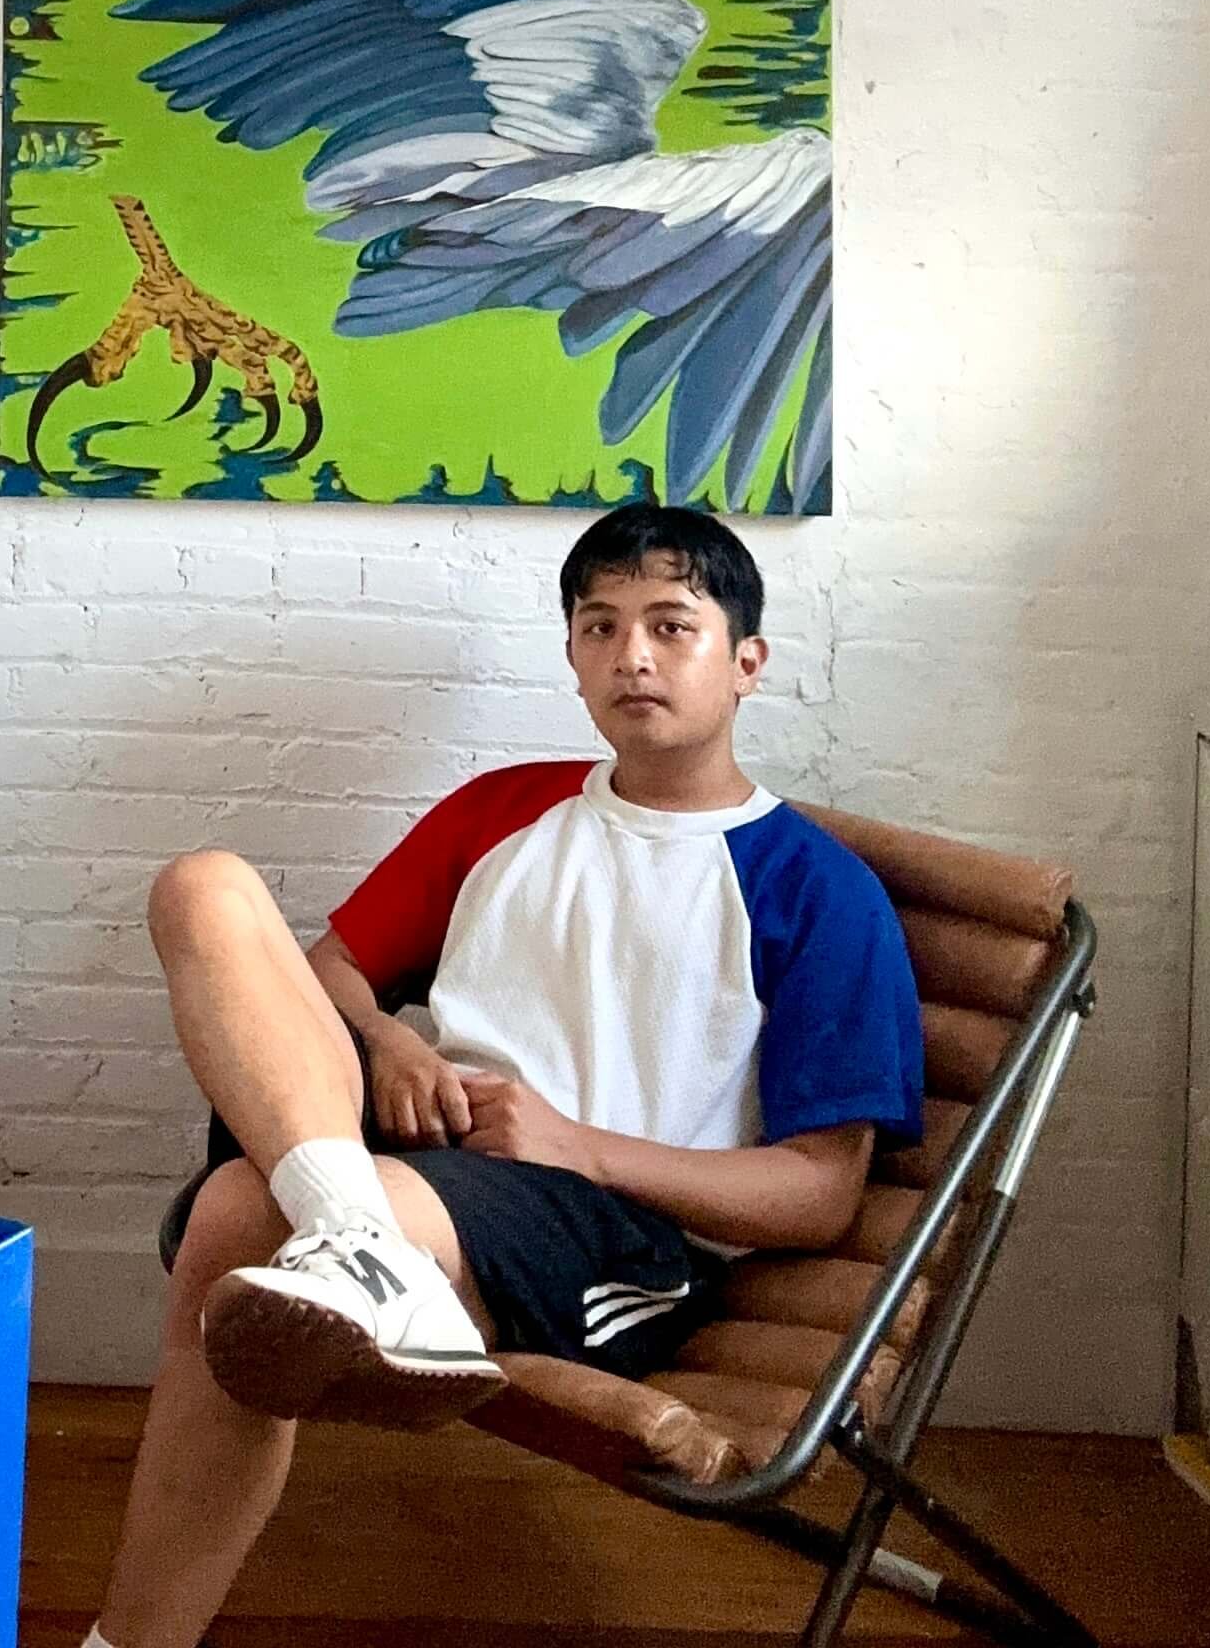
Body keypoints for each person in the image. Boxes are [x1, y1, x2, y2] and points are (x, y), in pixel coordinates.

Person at [77, 503, 923, 1648]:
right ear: (572, 655)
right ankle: (361, 1243)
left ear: (747, 662)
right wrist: (391, 1042)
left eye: (673, 625)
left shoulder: (816, 888)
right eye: (600, 625)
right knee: (204, 886)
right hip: (408, 1156)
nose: (633, 654)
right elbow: (330, 973)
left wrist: (577, 1143)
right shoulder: (504, 810)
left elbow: (821, 1192)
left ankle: (130, 1640)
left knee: (236, 1210)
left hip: (610, 1227)